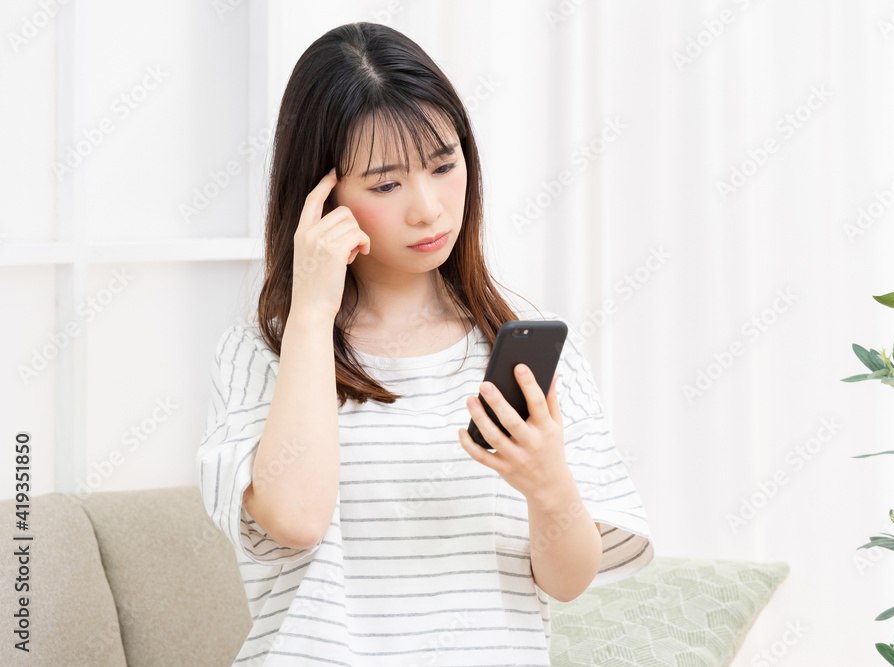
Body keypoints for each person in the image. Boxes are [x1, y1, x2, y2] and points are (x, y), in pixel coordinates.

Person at [195, 21, 654, 667]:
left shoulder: (523, 344)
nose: (429, 208)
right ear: (322, 197)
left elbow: (567, 581)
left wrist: (548, 484)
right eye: (386, 184)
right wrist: (312, 312)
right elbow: (295, 518)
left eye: (443, 166)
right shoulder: (260, 353)